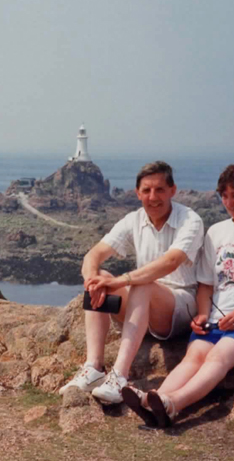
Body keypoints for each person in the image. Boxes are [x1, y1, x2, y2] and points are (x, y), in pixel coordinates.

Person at [121, 161, 234, 427]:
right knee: (193, 357)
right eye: (224, 195)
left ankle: (174, 404)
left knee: (219, 356)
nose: (229, 202)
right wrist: (203, 314)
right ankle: (154, 401)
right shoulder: (217, 232)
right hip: (219, 317)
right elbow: (206, 284)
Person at [58, 161, 204, 404]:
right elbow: (93, 254)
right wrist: (93, 281)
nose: (153, 197)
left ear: (172, 190)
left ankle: (119, 376)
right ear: (138, 193)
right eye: (146, 190)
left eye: (159, 190)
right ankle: (94, 368)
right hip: (143, 305)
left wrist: (122, 281)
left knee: (141, 283)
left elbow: (171, 261)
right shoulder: (134, 219)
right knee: (102, 277)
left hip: (180, 306)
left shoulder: (190, 220)